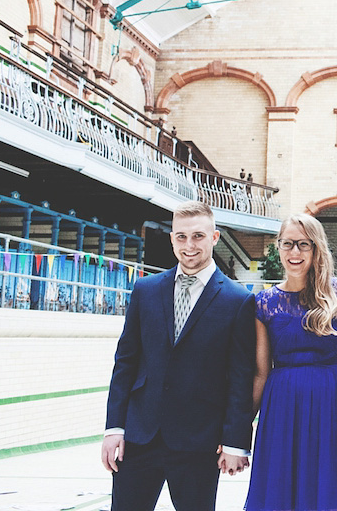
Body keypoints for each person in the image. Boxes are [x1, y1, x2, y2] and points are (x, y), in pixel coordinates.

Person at [101, 201, 255, 511]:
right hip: (139, 436)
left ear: (215, 237)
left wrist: (236, 441)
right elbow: (126, 362)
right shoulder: (145, 290)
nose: (189, 245)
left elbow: (241, 377)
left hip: (199, 441)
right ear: (172, 239)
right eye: (181, 237)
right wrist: (114, 427)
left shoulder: (238, 301)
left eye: (198, 236)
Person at [245, 214, 337, 511]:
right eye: (288, 244)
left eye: (303, 244)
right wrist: (240, 425)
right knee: (279, 491)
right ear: (278, 247)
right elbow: (261, 372)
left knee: (327, 491)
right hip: (282, 408)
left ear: (316, 249)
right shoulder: (264, 302)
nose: (295, 252)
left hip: (332, 405)